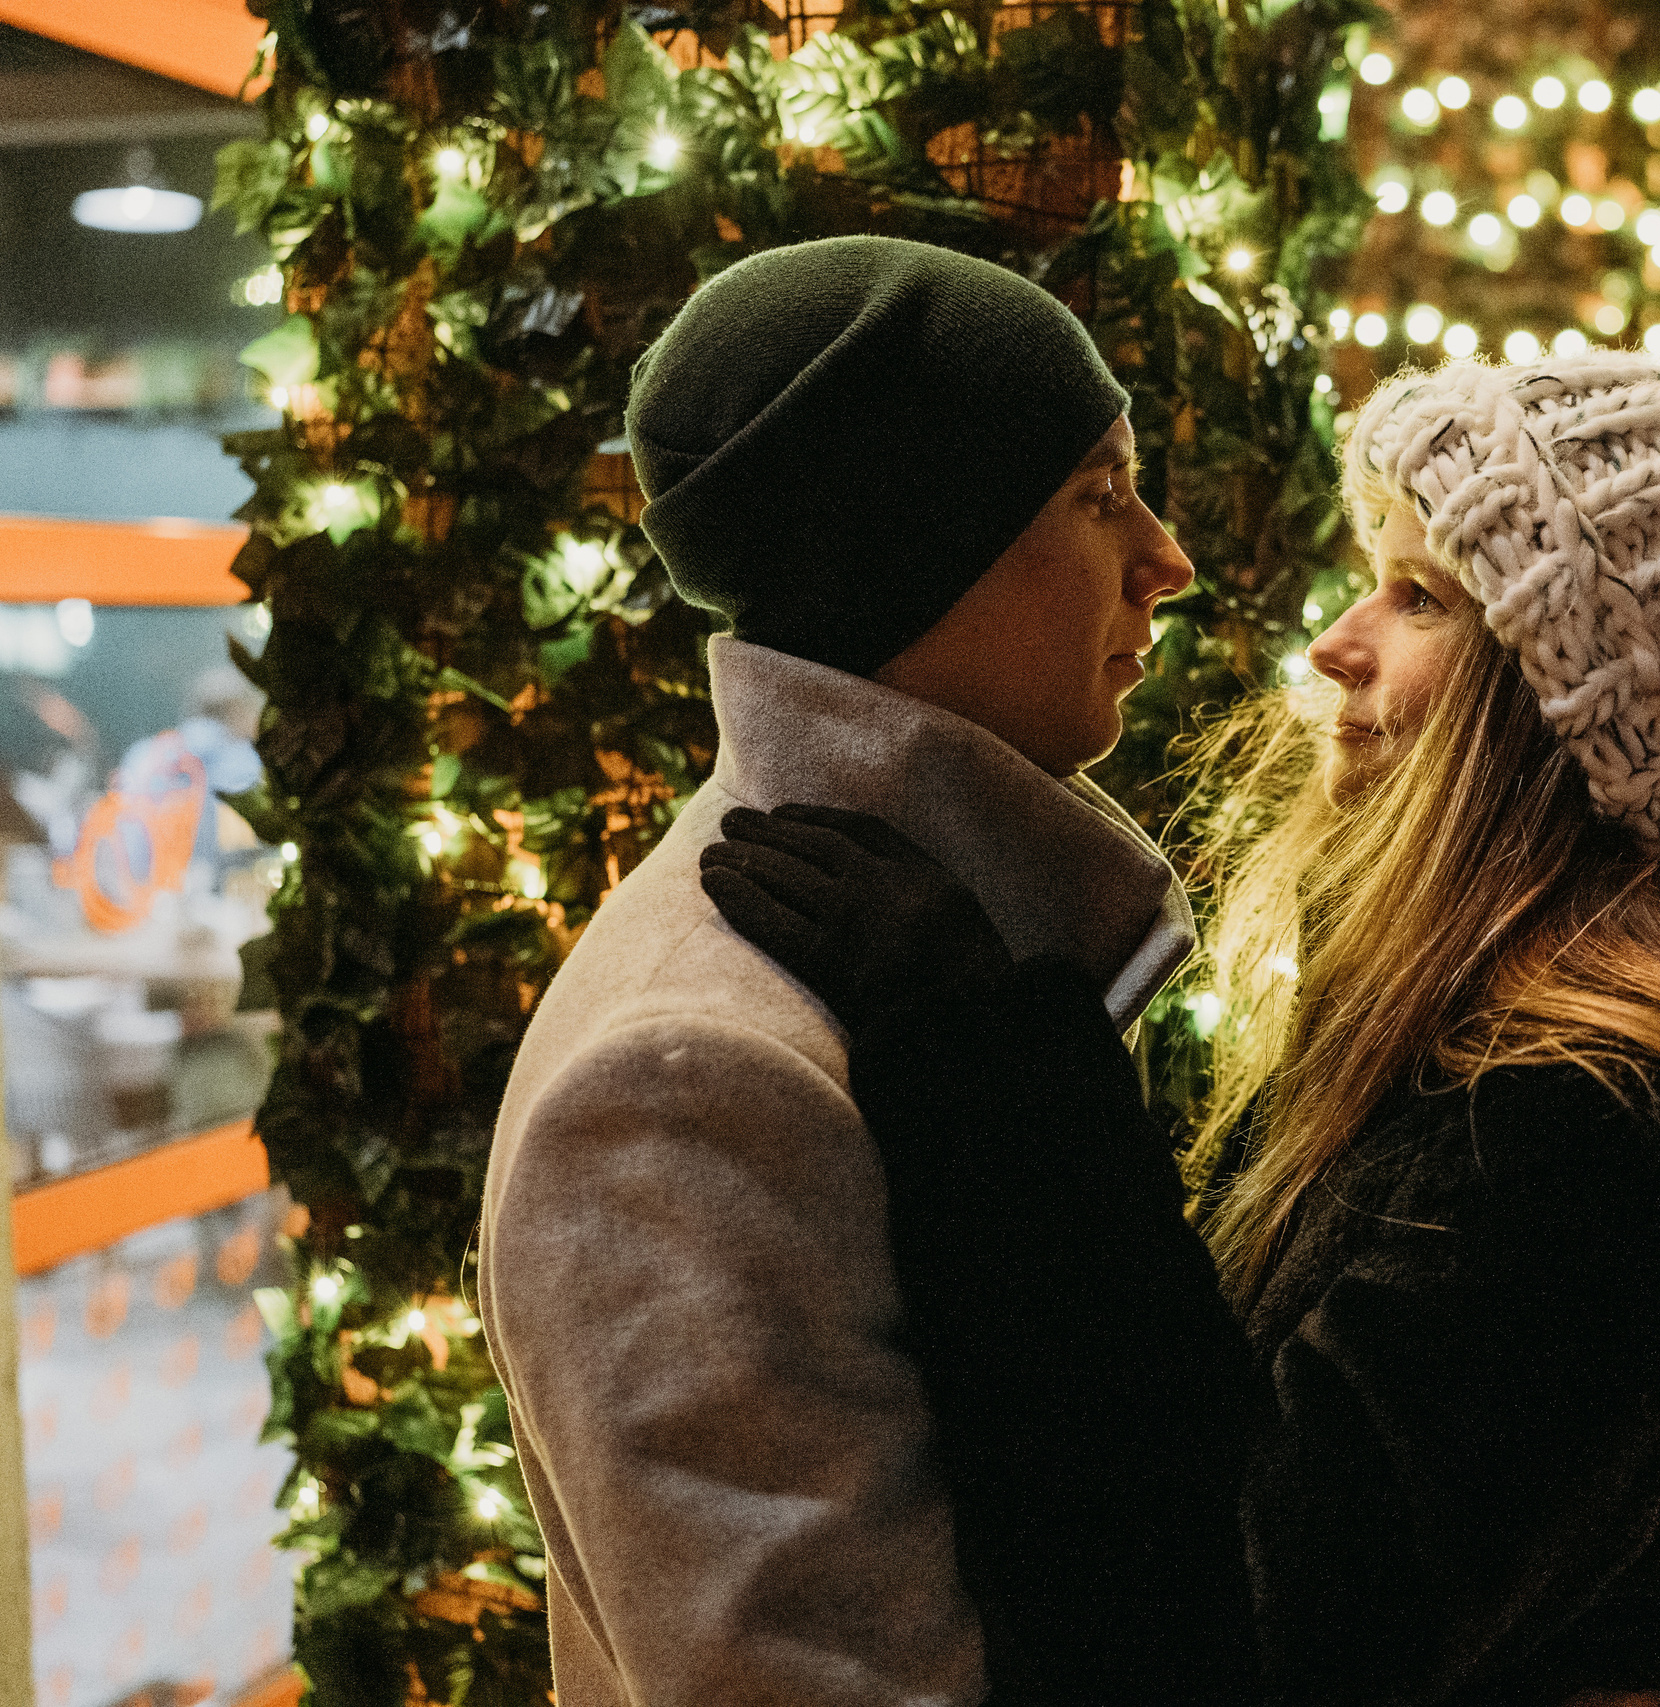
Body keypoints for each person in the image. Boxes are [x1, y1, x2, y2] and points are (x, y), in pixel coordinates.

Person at [703, 349, 1660, 1706]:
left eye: (1420, 598)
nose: (1335, 645)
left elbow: (1227, 1640)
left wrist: (993, 1076)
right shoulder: (1474, 1014)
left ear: (1562, 708)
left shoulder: (1604, 1123)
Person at [477, 234, 1251, 1707]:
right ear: (915, 553)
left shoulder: (943, 956)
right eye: (1099, 496)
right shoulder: (689, 1079)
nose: (1169, 560)